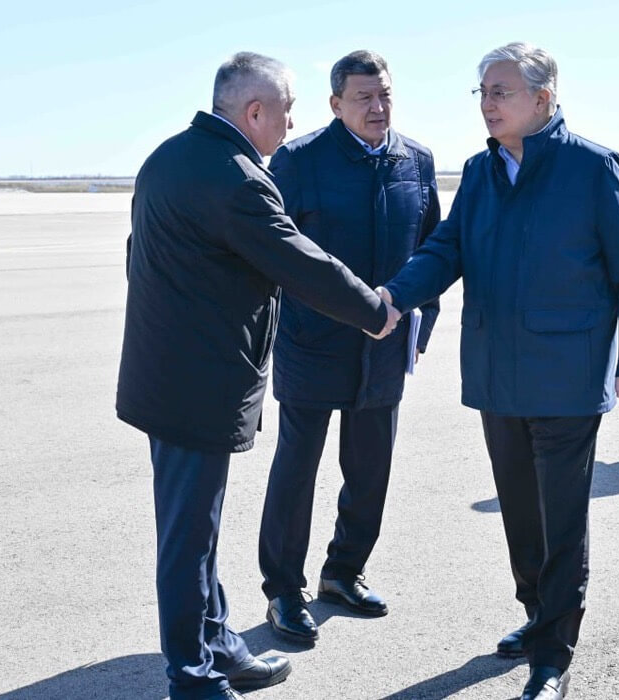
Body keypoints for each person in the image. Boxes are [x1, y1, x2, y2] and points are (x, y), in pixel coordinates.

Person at [379, 42, 619, 700]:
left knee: (561, 518)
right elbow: (447, 249)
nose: (488, 102)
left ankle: (553, 655)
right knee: (520, 512)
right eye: (482, 91)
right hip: (496, 372)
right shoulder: (481, 171)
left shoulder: (593, 167)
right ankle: (537, 613)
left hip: (567, 374)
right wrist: (394, 296)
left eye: (501, 91)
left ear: (543, 98)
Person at [116, 52, 399, 700]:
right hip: (197, 384)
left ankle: (219, 646)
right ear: (254, 111)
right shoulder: (238, 179)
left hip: (167, 376)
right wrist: (373, 310)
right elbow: (300, 262)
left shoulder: (168, 158)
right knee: (188, 539)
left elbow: (137, 258)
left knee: (197, 529)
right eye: (287, 110)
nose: (291, 123)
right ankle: (193, 677)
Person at [257, 50, 441, 643]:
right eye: (364, 97)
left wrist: (421, 327)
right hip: (311, 342)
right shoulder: (299, 160)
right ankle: (284, 589)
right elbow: (271, 249)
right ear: (336, 104)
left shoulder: (415, 160)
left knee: (370, 468)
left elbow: (432, 251)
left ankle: (343, 571)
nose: (378, 107)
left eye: (385, 95)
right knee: (297, 469)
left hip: (385, 345)